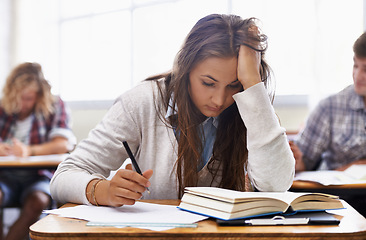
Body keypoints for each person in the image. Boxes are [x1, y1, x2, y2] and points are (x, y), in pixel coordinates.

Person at [50, 14, 295, 207]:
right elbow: (63, 177)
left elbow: (277, 186)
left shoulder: (250, 103)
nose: (220, 100)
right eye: (208, 83)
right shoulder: (143, 101)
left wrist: (252, 85)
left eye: (234, 85)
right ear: (185, 70)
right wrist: (102, 190)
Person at [290, 32, 366, 216]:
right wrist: (295, 160)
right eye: (355, 65)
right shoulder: (330, 107)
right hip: (342, 201)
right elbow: (304, 162)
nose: (357, 75)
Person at [0, 62, 76, 240]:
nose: (22, 104)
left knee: (38, 201)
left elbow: (62, 144)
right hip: (5, 176)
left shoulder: (55, 106)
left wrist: (29, 150)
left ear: (39, 95)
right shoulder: (3, 108)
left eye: (28, 98)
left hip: (40, 175)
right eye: (18, 97)